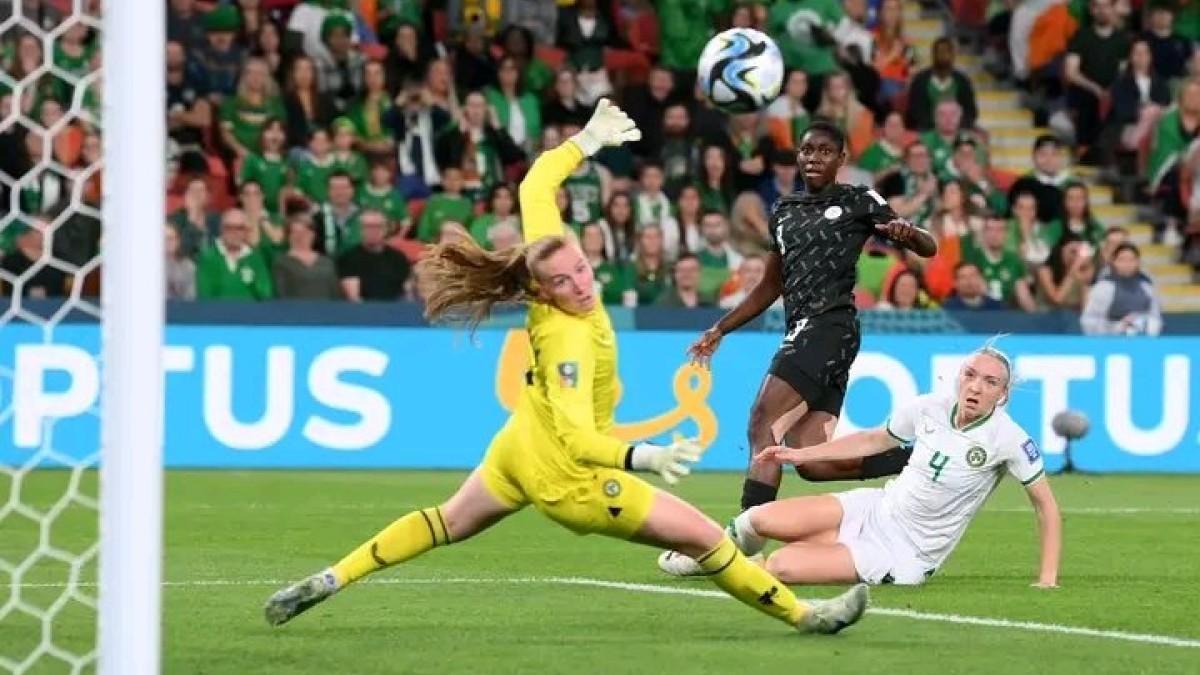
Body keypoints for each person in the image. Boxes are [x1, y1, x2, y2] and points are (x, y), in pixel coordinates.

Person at [263, 100, 869, 635]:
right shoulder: (568, 343)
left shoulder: (546, 257)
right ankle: (806, 615)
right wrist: (644, 458)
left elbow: (533, 188)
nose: (580, 282)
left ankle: (328, 580)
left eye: (580, 268)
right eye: (564, 282)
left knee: (445, 521)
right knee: (705, 538)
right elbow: (581, 439)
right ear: (543, 293)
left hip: (520, 443)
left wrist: (586, 139)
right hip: (568, 479)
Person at [683, 120, 939, 523]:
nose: (813, 158)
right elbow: (770, 286)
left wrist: (909, 234)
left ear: (842, 158)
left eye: (823, 151)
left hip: (828, 326)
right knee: (812, 462)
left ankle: (744, 537)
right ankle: (927, 460)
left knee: (762, 424)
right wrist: (721, 328)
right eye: (806, 150)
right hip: (808, 331)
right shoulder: (784, 211)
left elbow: (929, 247)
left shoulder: (858, 199)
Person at [666, 344, 1062, 590]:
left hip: (904, 552)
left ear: (1003, 394)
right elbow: (873, 439)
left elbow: (1046, 506)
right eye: (971, 375)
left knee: (782, 566)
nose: (976, 387)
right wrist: (801, 455)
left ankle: (726, 563)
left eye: (990, 382)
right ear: (960, 377)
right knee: (757, 519)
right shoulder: (929, 407)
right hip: (873, 508)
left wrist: (1046, 579)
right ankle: (704, 555)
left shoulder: (1010, 439)